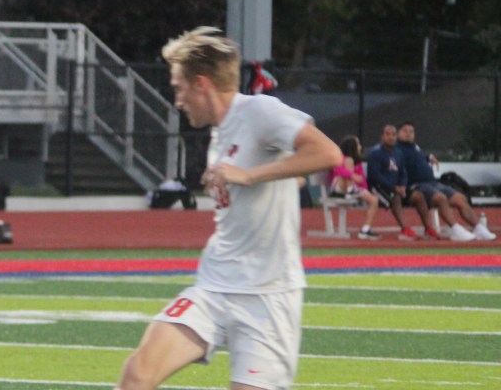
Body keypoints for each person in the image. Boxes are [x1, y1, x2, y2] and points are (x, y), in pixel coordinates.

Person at [117, 27, 342, 390]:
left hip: (267, 296)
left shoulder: (259, 110)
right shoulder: (220, 132)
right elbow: (289, 173)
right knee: (137, 374)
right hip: (214, 285)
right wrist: (269, 180)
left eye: (179, 88)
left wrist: (250, 176)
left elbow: (328, 153)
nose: (177, 101)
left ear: (201, 83)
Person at [396, 121, 495, 241]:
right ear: (398, 133)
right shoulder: (396, 149)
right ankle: (455, 229)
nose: (408, 134)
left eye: (411, 131)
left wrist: (429, 157)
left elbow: (418, 156)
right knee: (440, 198)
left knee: (460, 198)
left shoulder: (415, 147)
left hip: (432, 183)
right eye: (405, 131)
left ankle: (478, 228)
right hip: (416, 186)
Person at [366, 124, 424, 241]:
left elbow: (403, 172)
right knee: (395, 198)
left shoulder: (398, 152)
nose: (391, 137)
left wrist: (403, 186)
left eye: (393, 135)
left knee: (419, 195)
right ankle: (405, 228)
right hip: (377, 187)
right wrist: (394, 187)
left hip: (395, 187)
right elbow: (375, 176)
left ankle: (429, 228)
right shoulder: (375, 153)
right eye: (388, 134)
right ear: (382, 136)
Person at [330, 135, 381, 239]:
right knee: (349, 162)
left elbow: (361, 179)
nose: (360, 146)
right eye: (358, 144)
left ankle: (365, 230)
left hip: (354, 189)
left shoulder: (357, 162)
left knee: (374, 200)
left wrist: (365, 192)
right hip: (339, 187)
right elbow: (338, 171)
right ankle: (350, 190)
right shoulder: (341, 158)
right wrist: (352, 176)